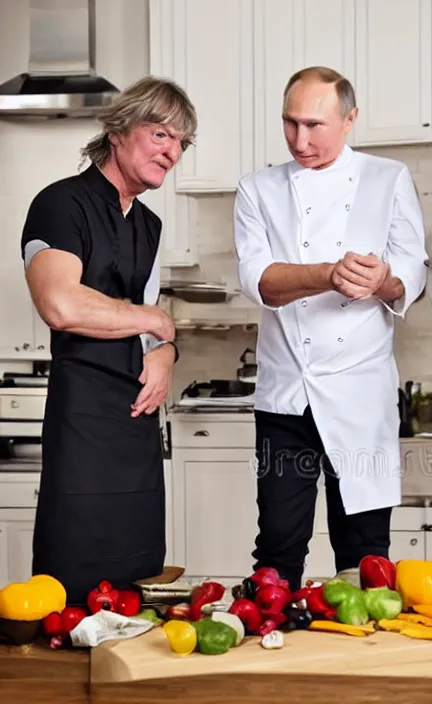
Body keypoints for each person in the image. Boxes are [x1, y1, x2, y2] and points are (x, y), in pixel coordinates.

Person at [234, 66, 427, 591]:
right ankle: (271, 647)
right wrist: (328, 274)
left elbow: (414, 271)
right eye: (290, 123)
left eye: (315, 125)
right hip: (285, 397)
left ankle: (365, 660)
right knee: (276, 544)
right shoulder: (257, 189)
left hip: (360, 393)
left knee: (365, 550)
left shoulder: (388, 178)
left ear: (350, 120)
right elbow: (261, 283)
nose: (301, 139)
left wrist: (385, 280)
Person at [21, 76, 197, 604]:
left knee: (136, 576)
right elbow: (61, 304)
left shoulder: (149, 224)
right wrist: (157, 322)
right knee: (74, 577)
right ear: (119, 130)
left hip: (137, 426)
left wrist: (165, 352)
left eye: (181, 143)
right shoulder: (59, 204)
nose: (172, 152)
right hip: (83, 423)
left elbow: (149, 327)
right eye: (162, 134)